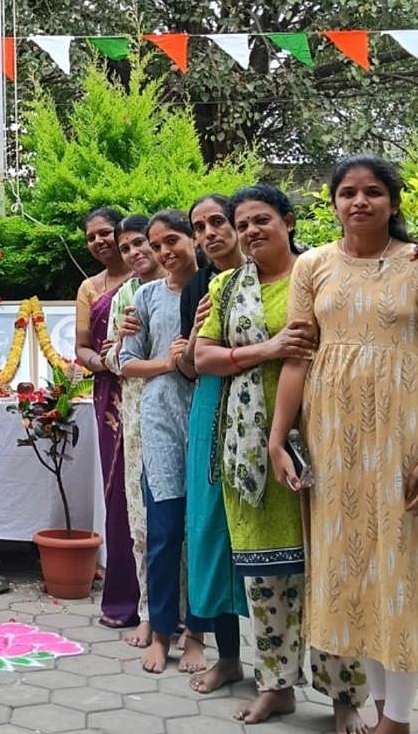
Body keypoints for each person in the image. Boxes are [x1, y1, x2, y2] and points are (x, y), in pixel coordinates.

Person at [271, 157, 418, 734]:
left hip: (403, 437)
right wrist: (278, 439)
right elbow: (297, 357)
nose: (359, 201)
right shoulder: (313, 265)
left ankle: (399, 720)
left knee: (399, 572)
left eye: (373, 192)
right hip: (333, 438)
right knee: (357, 574)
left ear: (393, 202)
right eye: (347, 192)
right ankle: (385, 714)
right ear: (334, 202)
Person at [197, 184, 366, 732]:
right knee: (267, 580)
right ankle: (276, 687)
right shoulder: (226, 286)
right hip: (250, 452)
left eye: (261, 219)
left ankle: (344, 697)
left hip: (322, 439)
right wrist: (266, 350)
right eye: (242, 223)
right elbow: (203, 357)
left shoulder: (322, 274)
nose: (250, 231)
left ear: (289, 221)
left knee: (329, 572)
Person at [119, 209, 208, 675]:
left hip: (208, 415)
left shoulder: (215, 286)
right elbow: (126, 362)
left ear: (193, 238)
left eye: (171, 240)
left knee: (203, 533)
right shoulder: (147, 296)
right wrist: (168, 364)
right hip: (160, 421)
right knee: (164, 531)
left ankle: (197, 635)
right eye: (156, 246)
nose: (164, 252)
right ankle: (160, 632)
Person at [181, 195, 247, 698]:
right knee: (210, 532)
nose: (209, 234)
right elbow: (189, 366)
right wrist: (191, 341)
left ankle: (289, 671)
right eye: (199, 227)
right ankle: (229, 658)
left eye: (218, 222)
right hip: (209, 408)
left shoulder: (283, 272)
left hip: (266, 405)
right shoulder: (199, 286)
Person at [74, 206, 140, 629]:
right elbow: (81, 347)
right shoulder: (90, 287)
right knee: (117, 494)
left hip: (147, 385)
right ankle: (122, 600)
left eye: (105, 233)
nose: (99, 241)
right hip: (109, 393)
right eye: (91, 236)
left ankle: (166, 604)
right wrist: (104, 361)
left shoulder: (145, 276)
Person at [103, 214, 163, 648]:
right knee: (140, 519)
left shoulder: (188, 285)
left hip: (182, 410)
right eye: (125, 248)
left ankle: (186, 619)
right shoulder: (125, 295)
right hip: (138, 416)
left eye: (140, 242)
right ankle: (147, 613)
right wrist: (123, 341)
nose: (134, 252)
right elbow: (111, 359)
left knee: (179, 522)